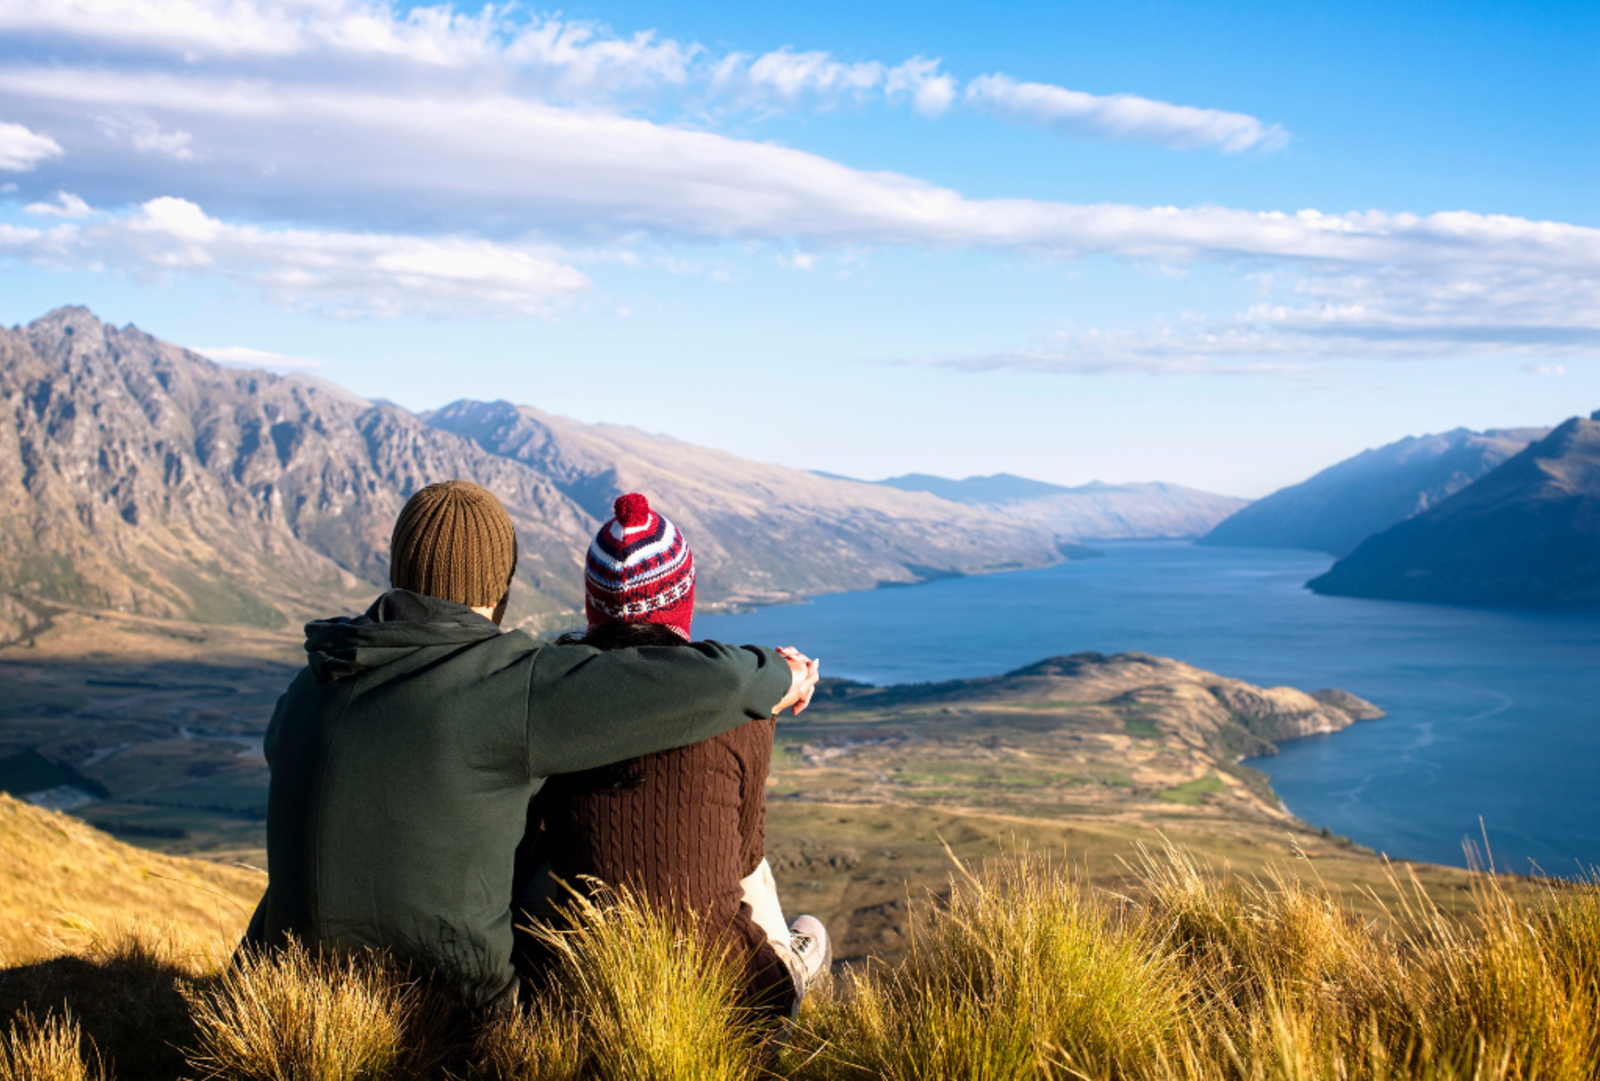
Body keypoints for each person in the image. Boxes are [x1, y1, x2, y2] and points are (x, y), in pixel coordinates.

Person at [244, 480, 818, 1013]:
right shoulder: (503, 684)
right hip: (450, 1018)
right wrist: (781, 674)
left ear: (397, 571)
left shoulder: (310, 684)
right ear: (501, 589)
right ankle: (781, 973)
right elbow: (709, 683)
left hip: (289, 999)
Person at [517, 493, 832, 1020]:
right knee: (753, 867)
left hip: (587, 997)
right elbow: (745, 855)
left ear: (594, 605)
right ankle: (790, 976)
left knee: (544, 857)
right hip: (734, 1009)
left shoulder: (552, 702)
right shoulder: (740, 709)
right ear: (681, 600)